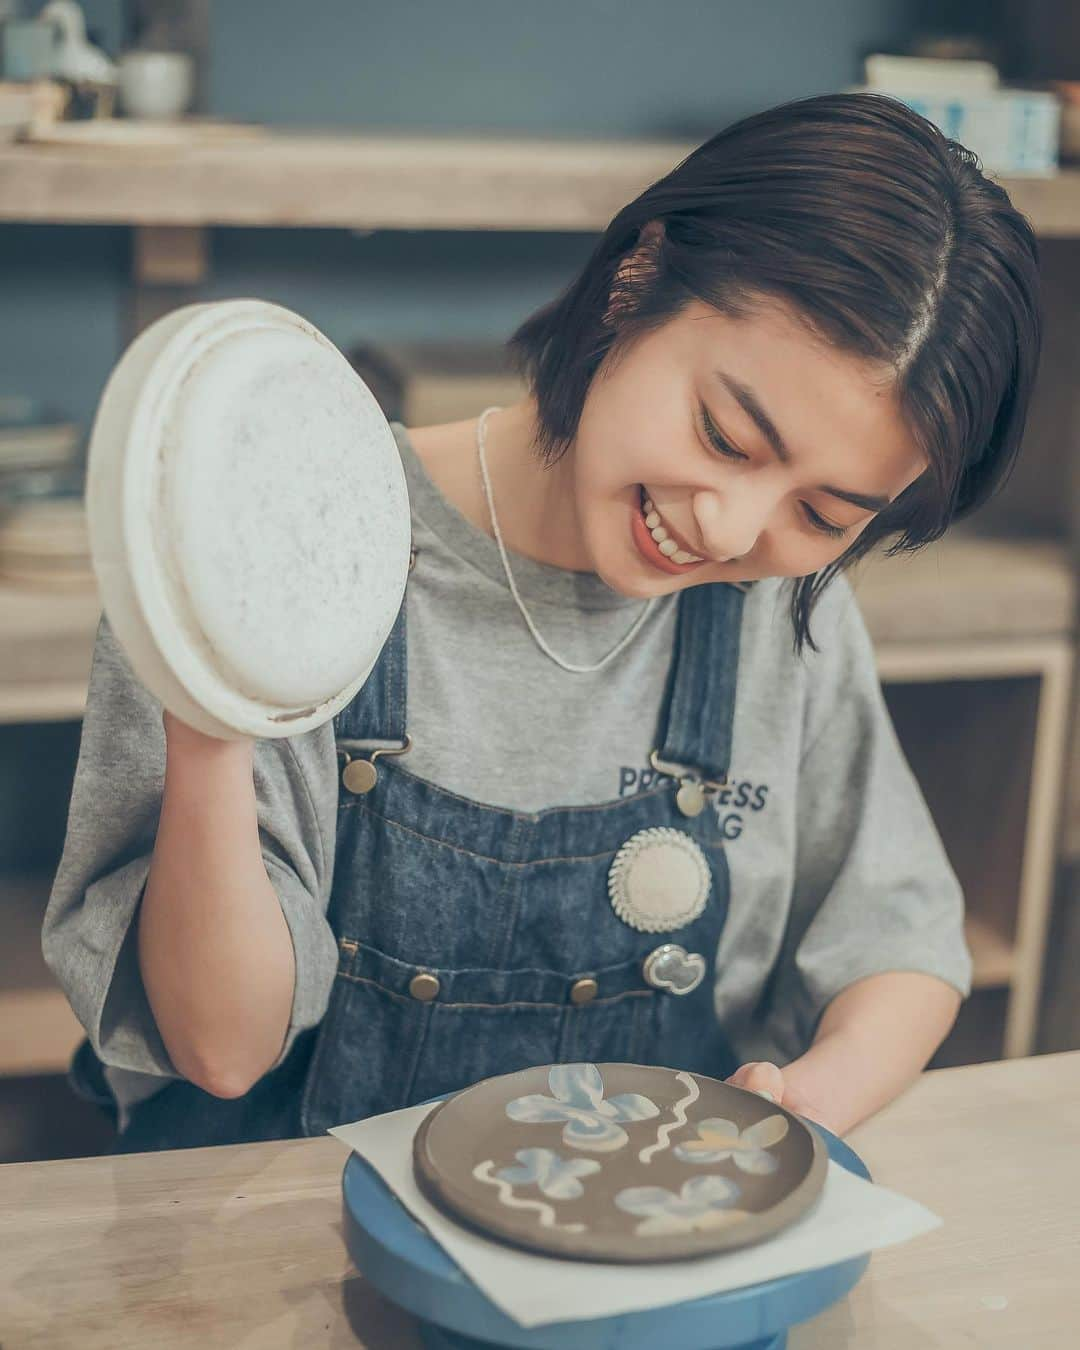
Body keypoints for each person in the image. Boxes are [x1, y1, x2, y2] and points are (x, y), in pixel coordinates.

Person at [43, 93, 1041, 1152]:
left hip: (636, 1251)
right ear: (636, 279)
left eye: (822, 515)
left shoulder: (781, 622)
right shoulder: (290, 539)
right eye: (725, 434)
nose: (729, 527)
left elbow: (901, 944)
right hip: (280, 1248)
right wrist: (209, 694)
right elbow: (221, 1048)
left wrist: (811, 1100)